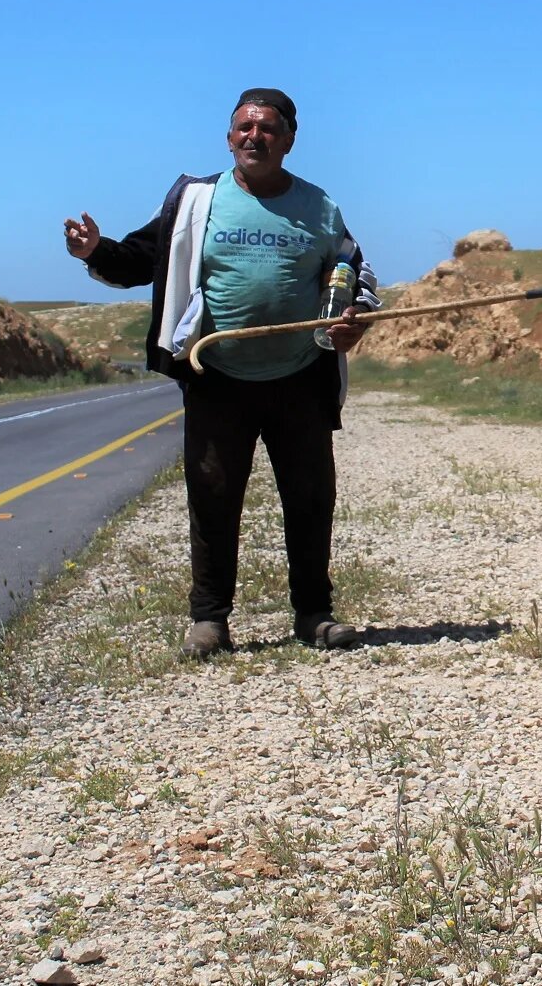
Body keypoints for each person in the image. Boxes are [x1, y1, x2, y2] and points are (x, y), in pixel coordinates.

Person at [63, 87, 379, 657]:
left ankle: (314, 614)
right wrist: (95, 251)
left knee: (310, 498)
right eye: (244, 128)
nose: (254, 137)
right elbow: (139, 259)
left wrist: (353, 319)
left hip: (299, 377)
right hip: (217, 378)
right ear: (229, 137)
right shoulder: (194, 202)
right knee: (212, 497)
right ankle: (209, 620)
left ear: (289, 140)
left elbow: (353, 275)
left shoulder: (321, 208)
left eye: (267, 129)